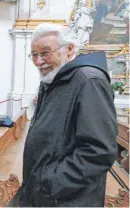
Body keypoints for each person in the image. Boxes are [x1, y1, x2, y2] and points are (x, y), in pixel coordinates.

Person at [16, 23, 117, 207]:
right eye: (34, 55)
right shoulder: (52, 80)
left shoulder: (89, 81)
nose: (39, 61)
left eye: (45, 53)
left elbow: (99, 151)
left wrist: (51, 184)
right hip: (41, 194)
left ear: (69, 49)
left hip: (67, 199)